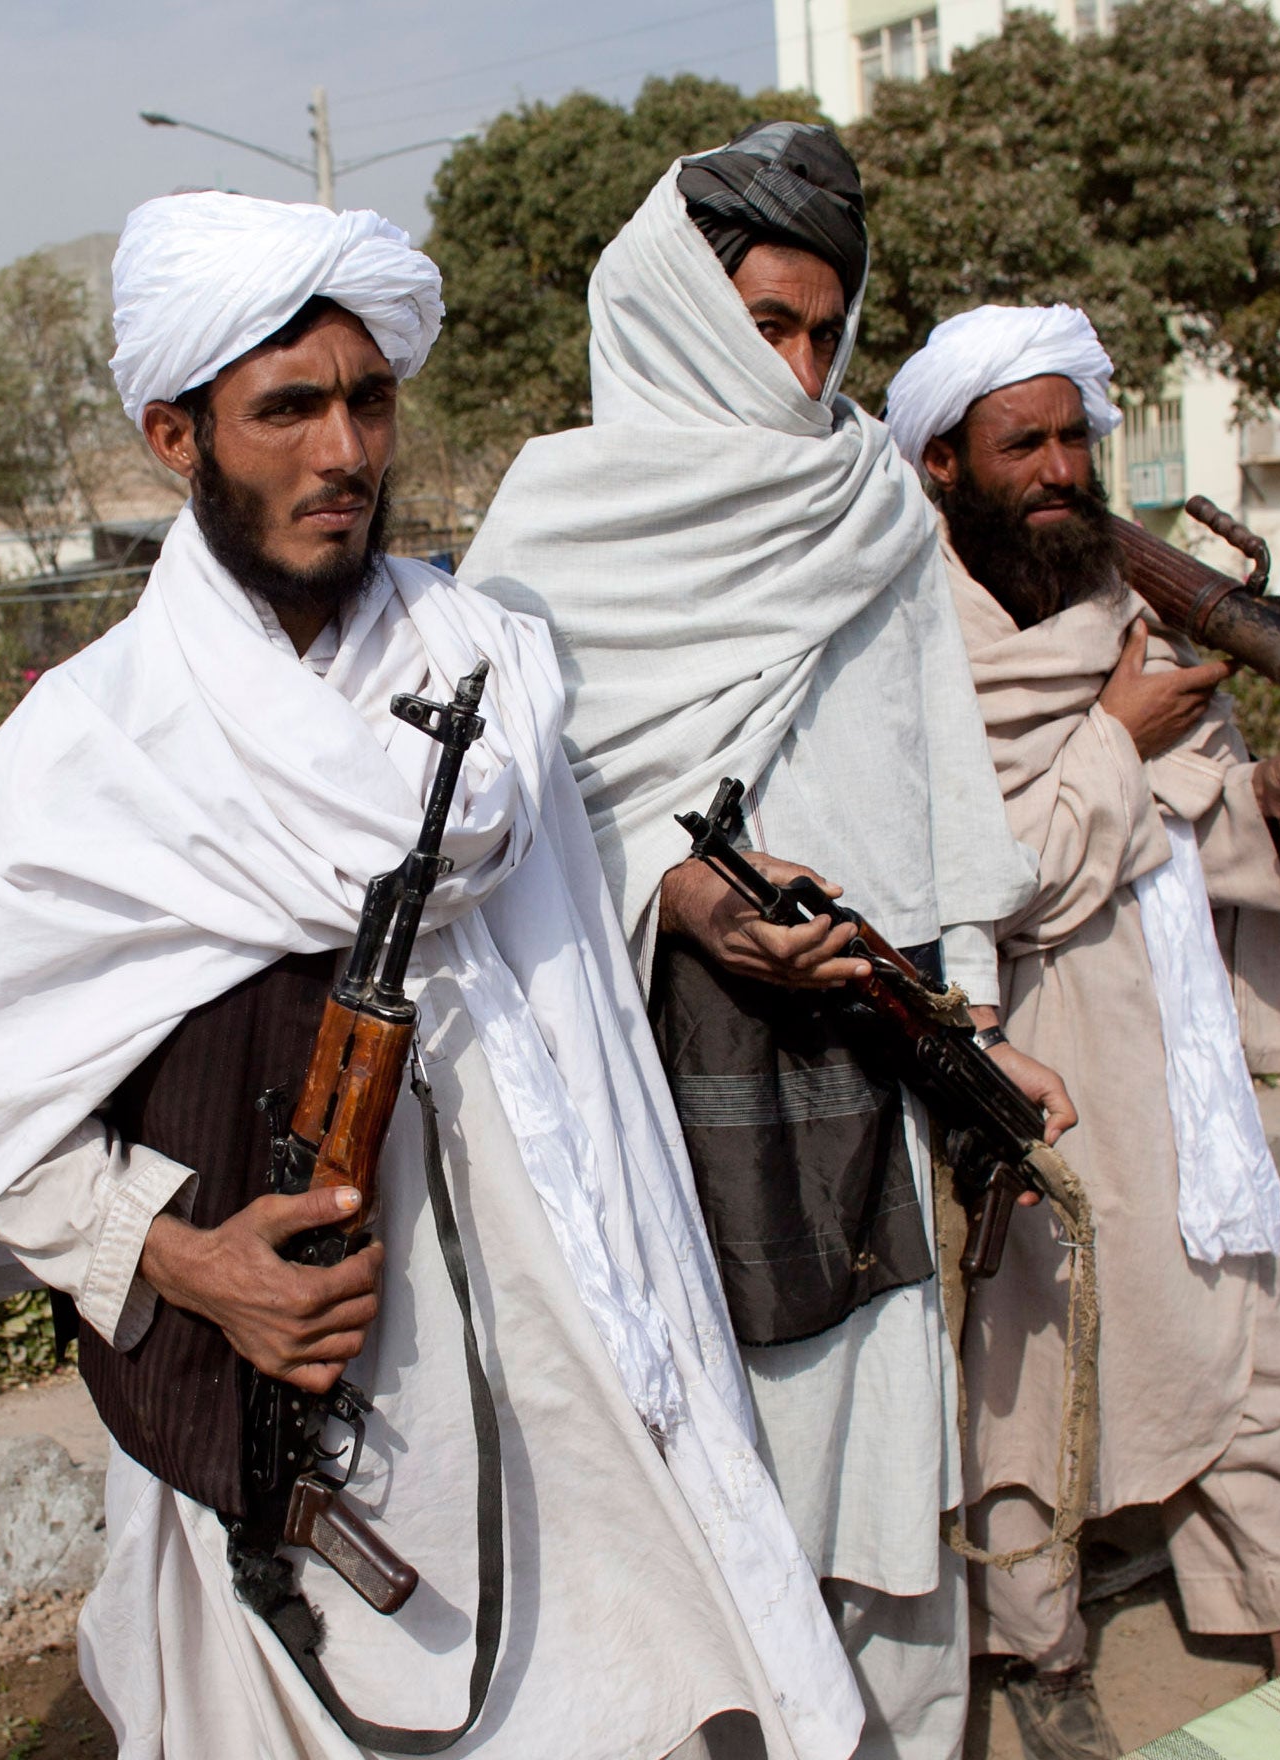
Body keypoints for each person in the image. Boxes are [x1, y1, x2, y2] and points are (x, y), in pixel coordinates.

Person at [0, 189, 866, 1760]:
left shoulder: (490, 665)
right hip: (306, 1378)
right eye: (286, 409)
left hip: (570, 1320)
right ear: (176, 435)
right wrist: (183, 1258)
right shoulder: (80, 754)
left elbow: (567, 951)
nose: (343, 454)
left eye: (367, 400)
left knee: (631, 1681)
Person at [457, 124, 1076, 1759]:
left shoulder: (870, 497)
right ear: (671, 310)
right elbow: (516, 816)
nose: (801, 366)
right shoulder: (553, 529)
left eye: (825, 329)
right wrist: (679, 890)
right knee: (688, 1491)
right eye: (764, 325)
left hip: (878, 1069)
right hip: (659, 1080)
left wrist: (976, 1029)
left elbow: (936, 779)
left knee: (887, 1478)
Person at [886, 304, 1280, 1760]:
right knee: (1038, 1357)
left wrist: (1269, 804)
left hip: (1172, 1024)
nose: (1062, 468)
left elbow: (1187, 814)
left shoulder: (1125, 617)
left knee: (1244, 1313)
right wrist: (1113, 745)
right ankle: (1040, 1646)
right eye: (1027, 443)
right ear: (943, 463)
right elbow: (970, 885)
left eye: (1077, 437)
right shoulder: (911, 651)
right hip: (1032, 1048)